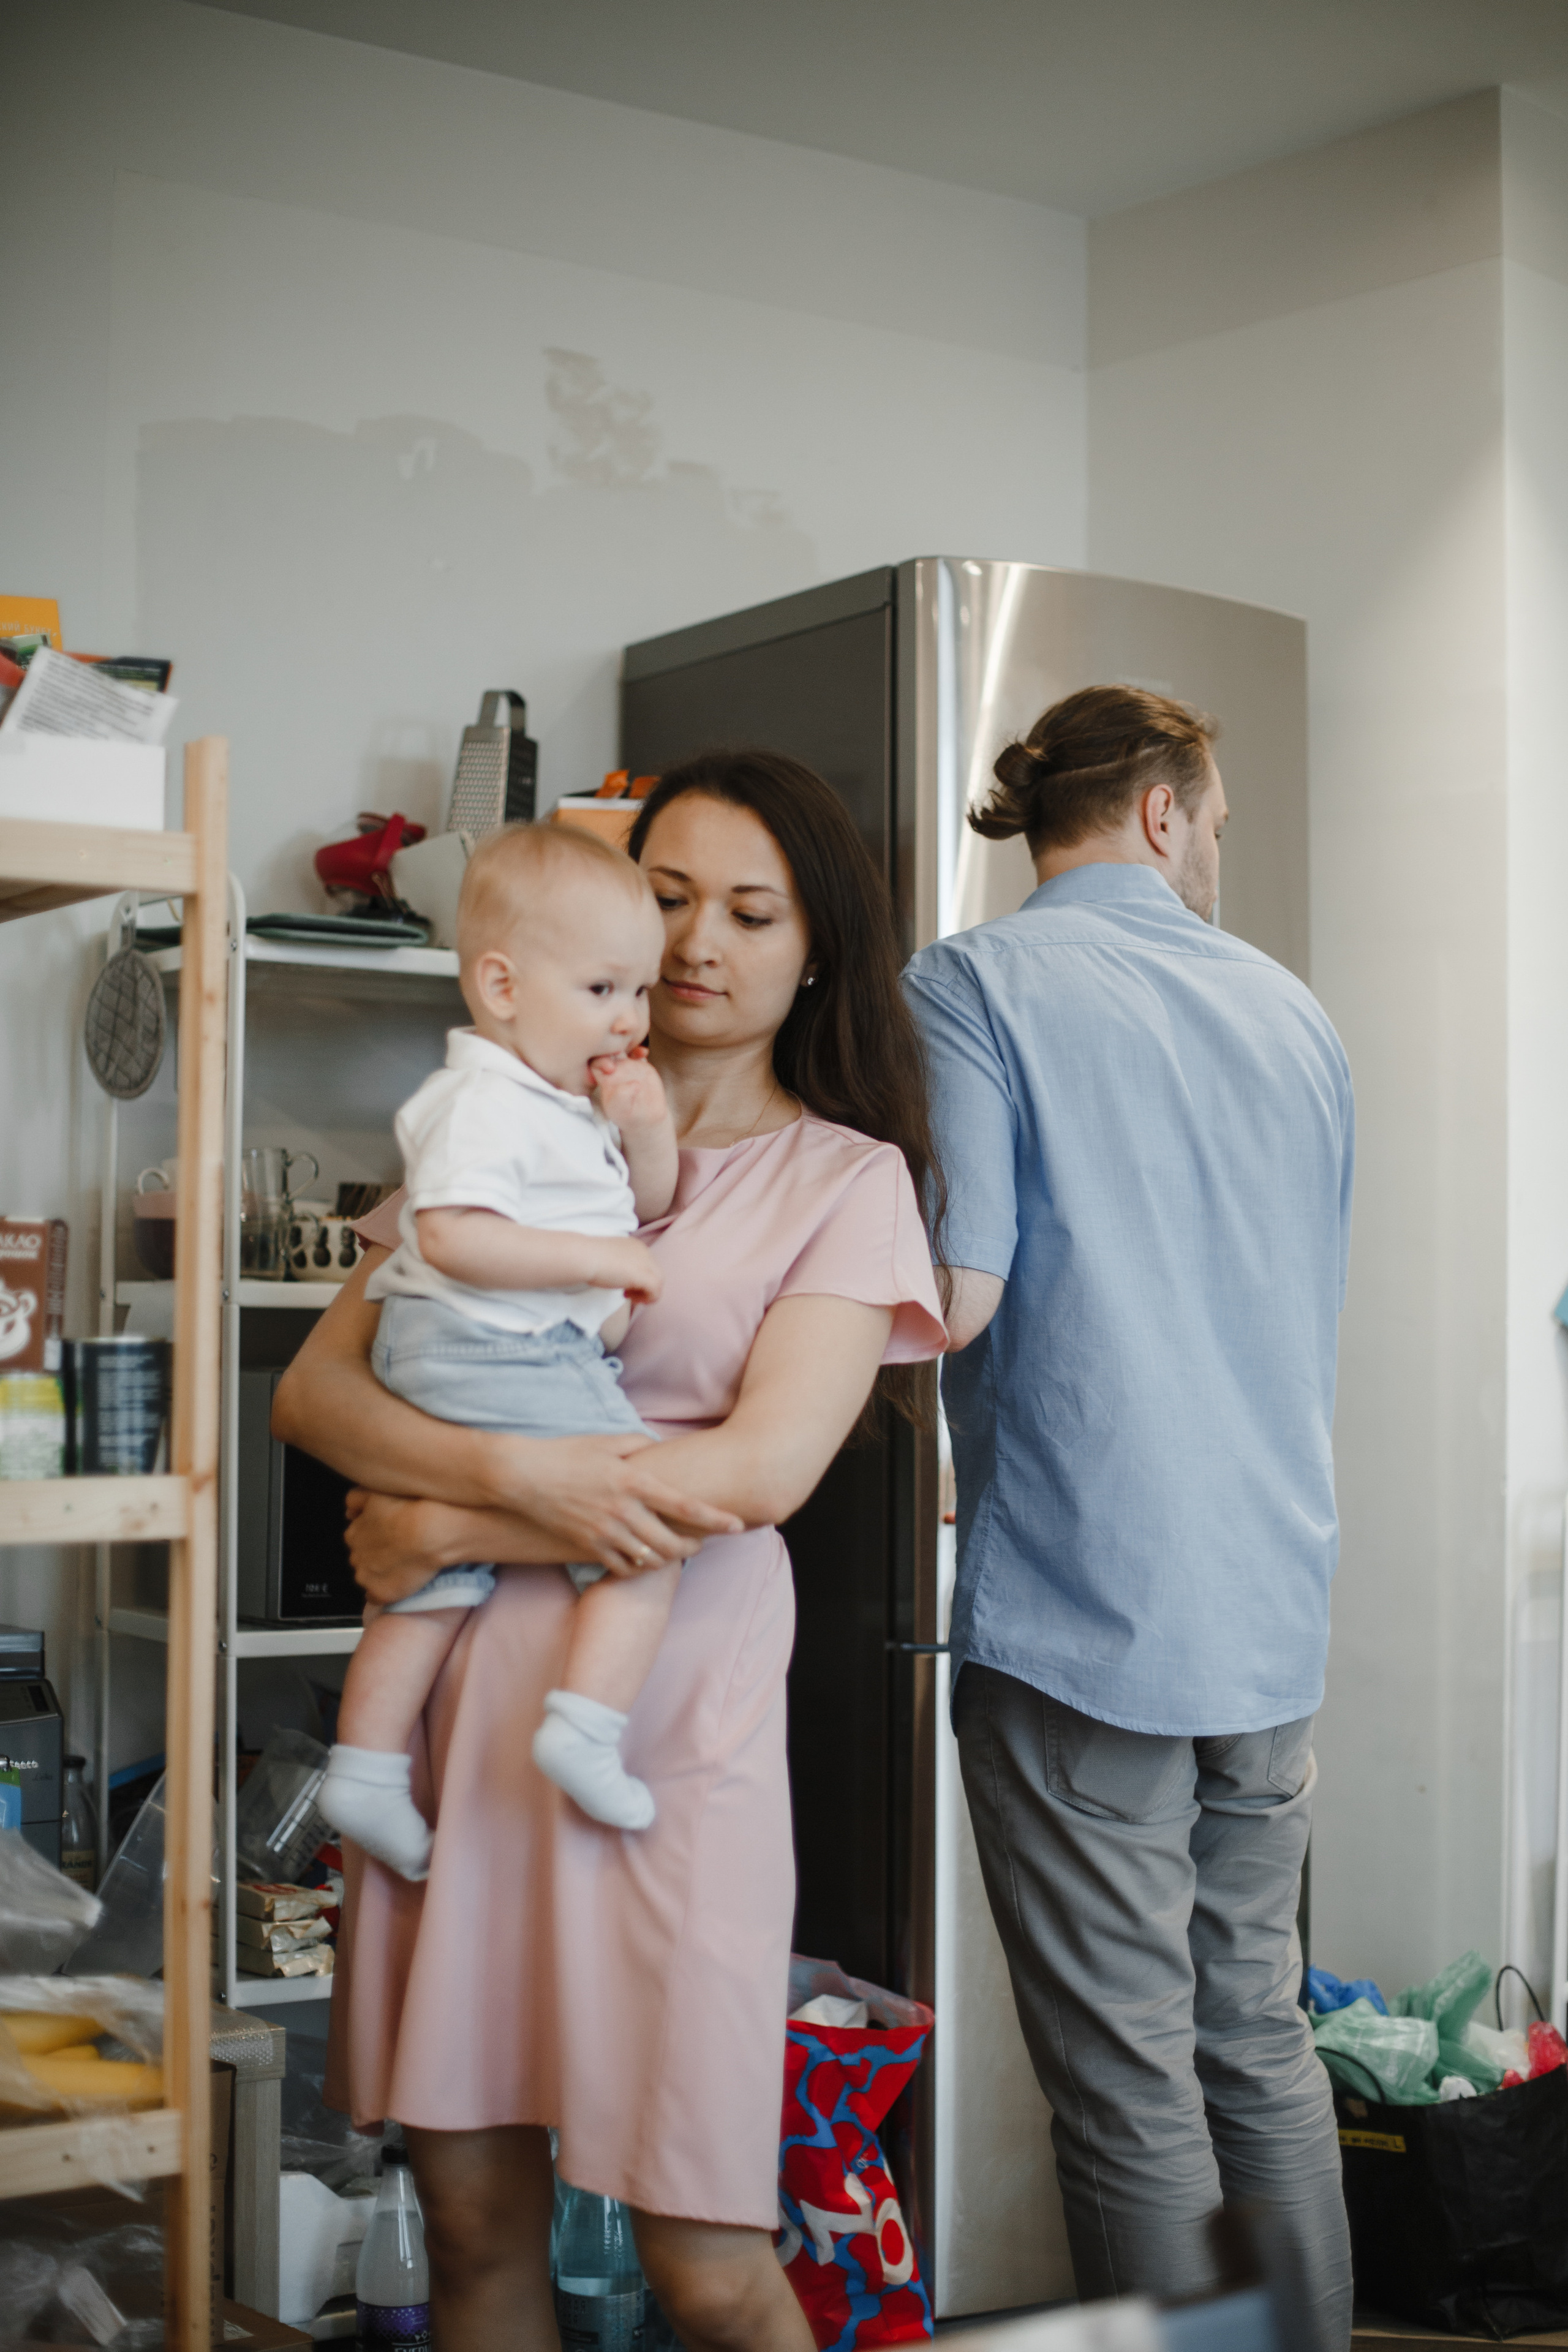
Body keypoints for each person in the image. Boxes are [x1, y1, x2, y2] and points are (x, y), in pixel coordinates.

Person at [272, 751, 946, 2352]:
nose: (701, 940)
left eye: (752, 909)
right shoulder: (499, 1121)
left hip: (673, 1724)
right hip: (469, 1716)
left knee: (708, 2252)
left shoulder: (844, 1181)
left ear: (814, 950)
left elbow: (763, 1470)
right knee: (473, 2217)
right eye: (666, 896)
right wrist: (514, 1481)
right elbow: (314, 1390)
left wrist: (445, 1513)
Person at [903, 686, 1355, 2350]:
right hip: (1273, 1614)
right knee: (1258, 2034)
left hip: (1088, 1612)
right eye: (1217, 827)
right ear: (1161, 814)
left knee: (1128, 2081)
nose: (1212, 857)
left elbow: (956, 1296)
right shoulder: (1298, 1017)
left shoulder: (971, 986)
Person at [320, 823, 685, 1874]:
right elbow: (451, 1236)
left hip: (470, 1352)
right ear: (502, 984)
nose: (630, 1019)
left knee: (435, 1581)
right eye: (605, 990)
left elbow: (646, 1199)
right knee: (648, 1532)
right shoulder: (480, 1100)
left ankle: (366, 1770)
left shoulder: (552, 1099)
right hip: (498, 1349)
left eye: (640, 994)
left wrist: (643, 1127)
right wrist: (606, 1260)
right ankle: (585, 1726)